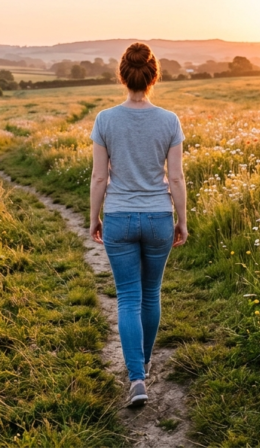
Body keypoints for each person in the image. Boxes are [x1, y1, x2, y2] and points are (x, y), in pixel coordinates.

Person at [89, 41, 188, 408]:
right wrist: (182, 221)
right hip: (159, 217)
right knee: (151, 294)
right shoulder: (169, 120)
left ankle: (136, 379)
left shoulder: (105, 119)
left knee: (128, 298)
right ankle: (143, 363)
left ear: (122, 75)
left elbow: (99, 178)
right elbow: (176, 179)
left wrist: (93, 218)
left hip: (118, 217)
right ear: (153, 76)